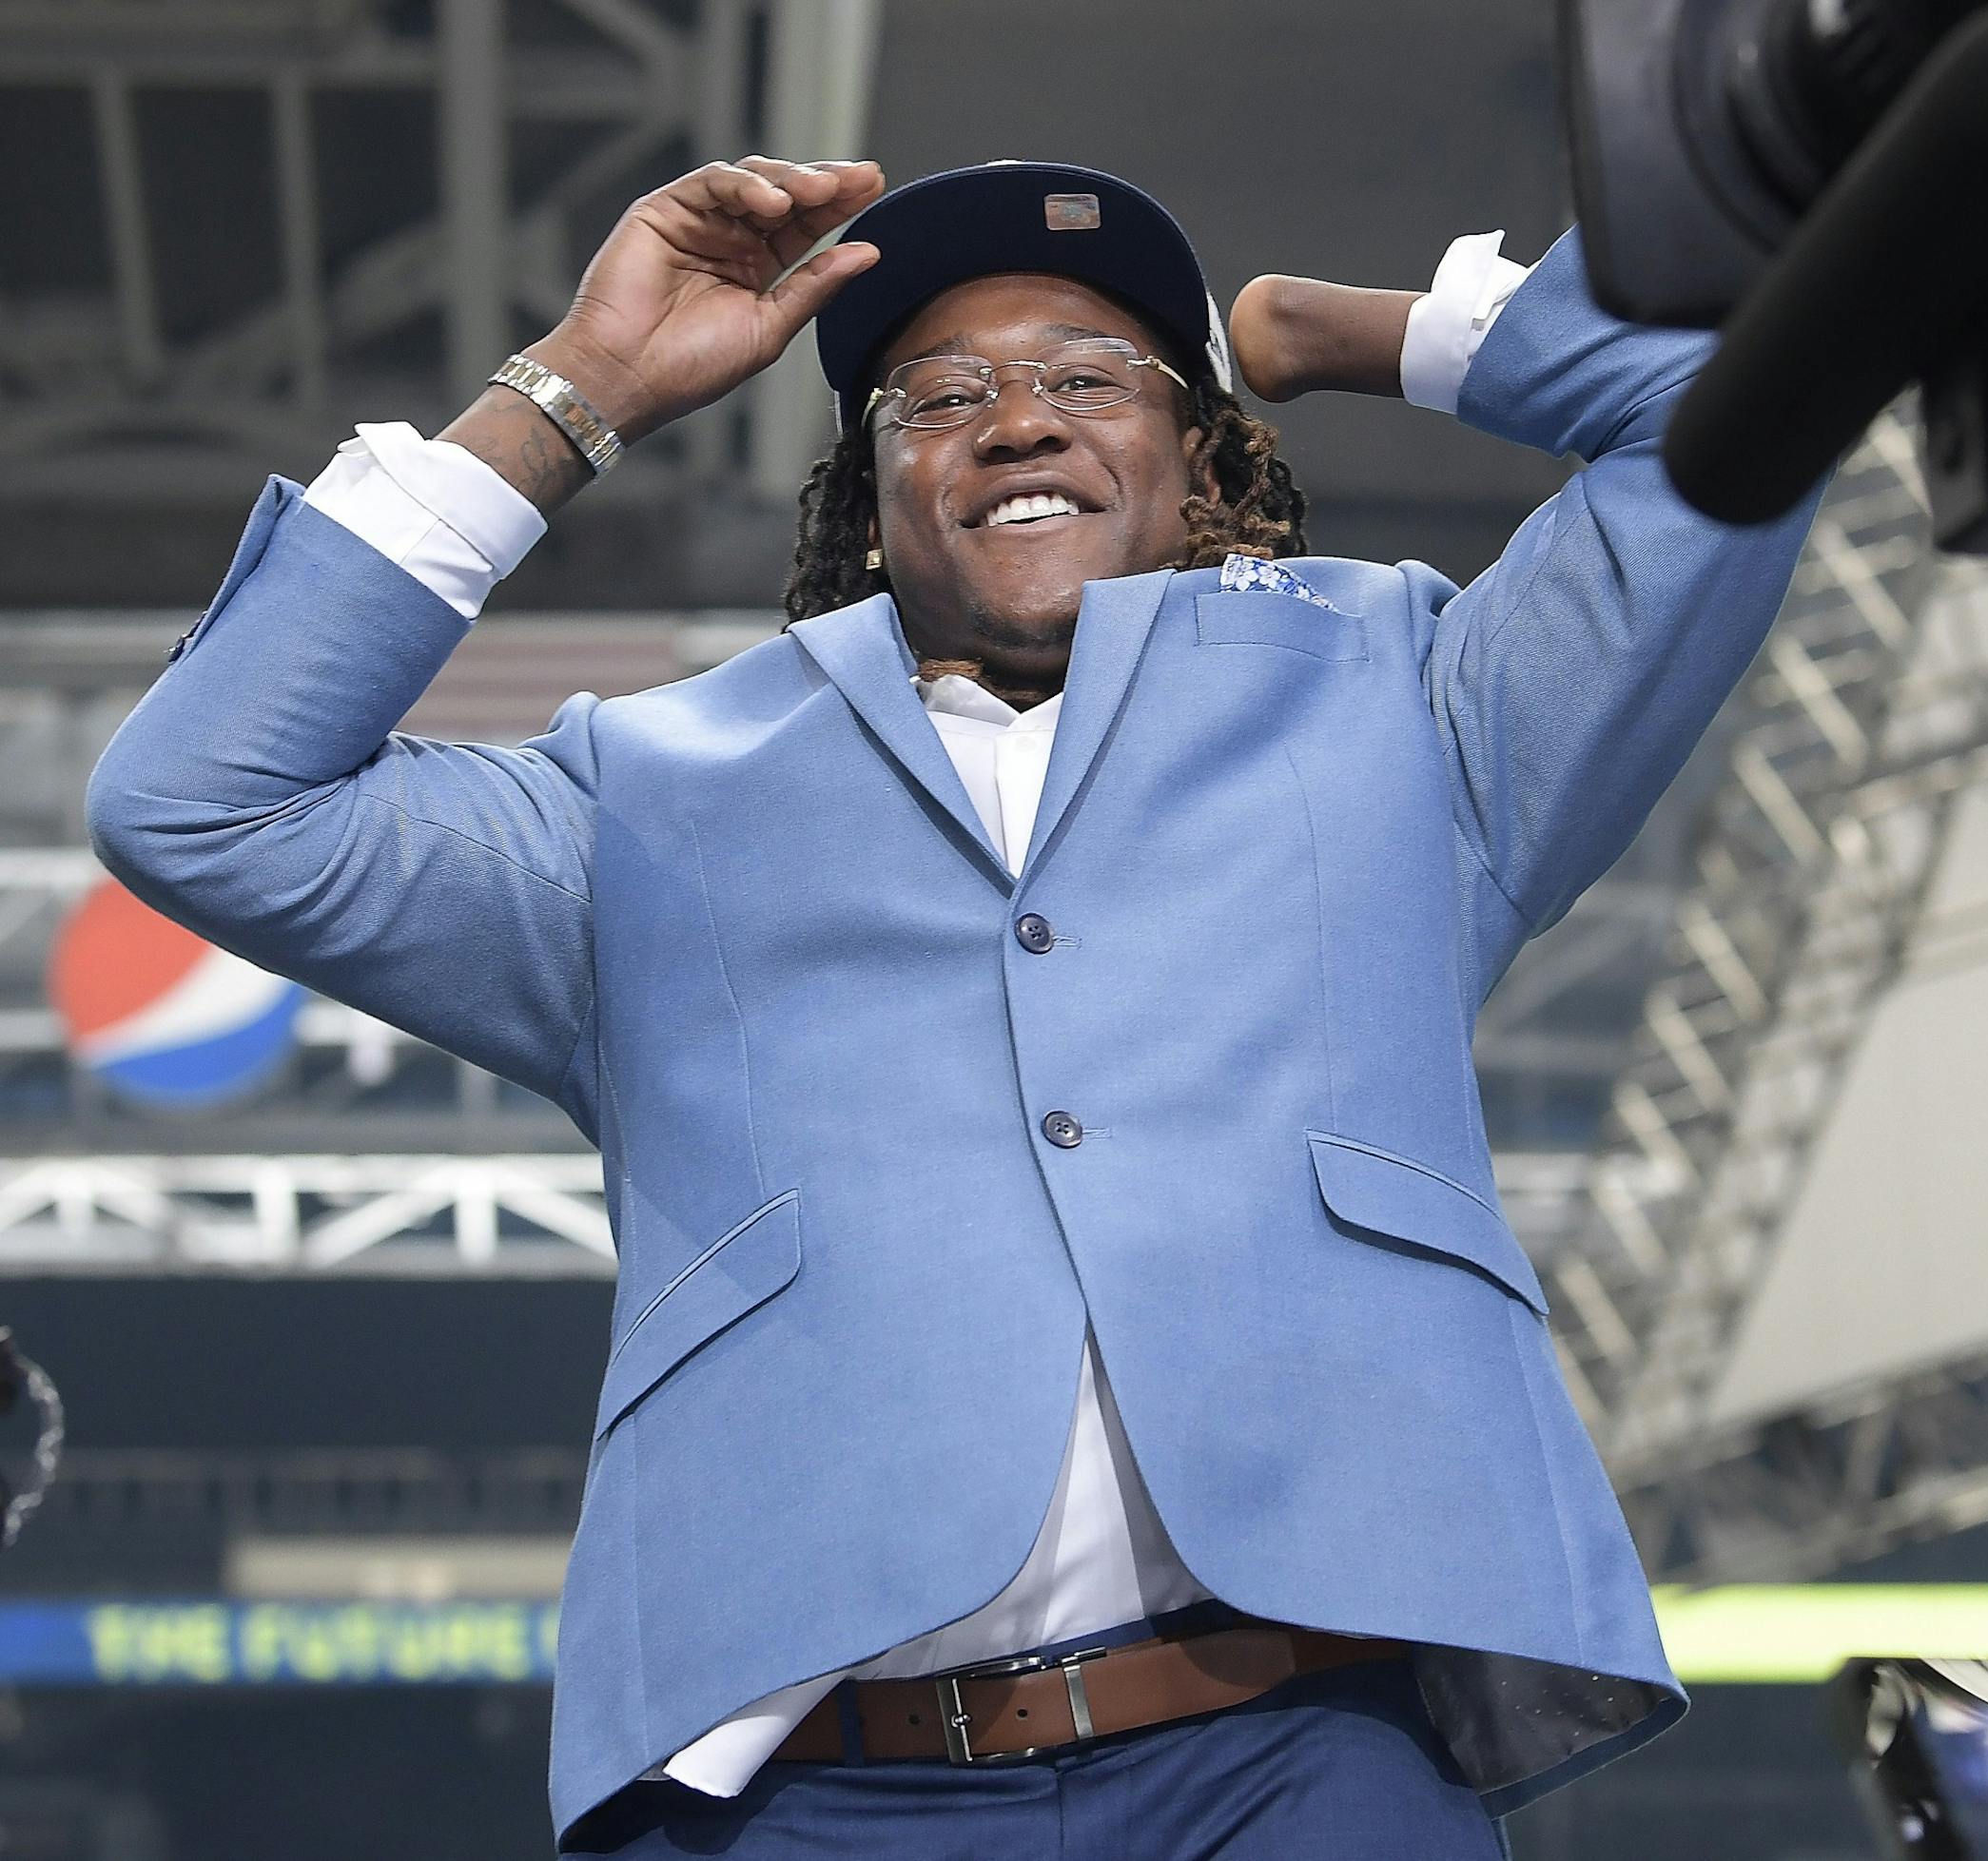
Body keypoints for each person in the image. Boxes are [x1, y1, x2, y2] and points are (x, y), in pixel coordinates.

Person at [86, 154, 1822, 1857]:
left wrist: (1348, 333)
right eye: (940, 393)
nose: (1017, 419)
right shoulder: (651, 795)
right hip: (814, 1794)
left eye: (1092, 377)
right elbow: (203, 801)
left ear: (1204, 448)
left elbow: (1729, 425)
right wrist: (580, 391)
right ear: (869, 484)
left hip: (1308, 1759)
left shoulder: (1404, 702)